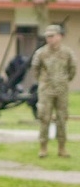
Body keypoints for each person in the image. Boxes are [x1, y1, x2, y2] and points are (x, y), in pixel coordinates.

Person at [31, 24, 77, 158]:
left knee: (62, 119)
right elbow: (35, 69)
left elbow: (72, 69)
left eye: (52, 36)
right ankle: (43, 147)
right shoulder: (41, 53)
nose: (49, 39)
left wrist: (64, 80)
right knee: (44, 117)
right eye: (47, 37)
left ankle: (62, 148)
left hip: (61, 90)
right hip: (46, 90)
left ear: (59, 37)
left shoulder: (67, 53)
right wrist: (43, 82)